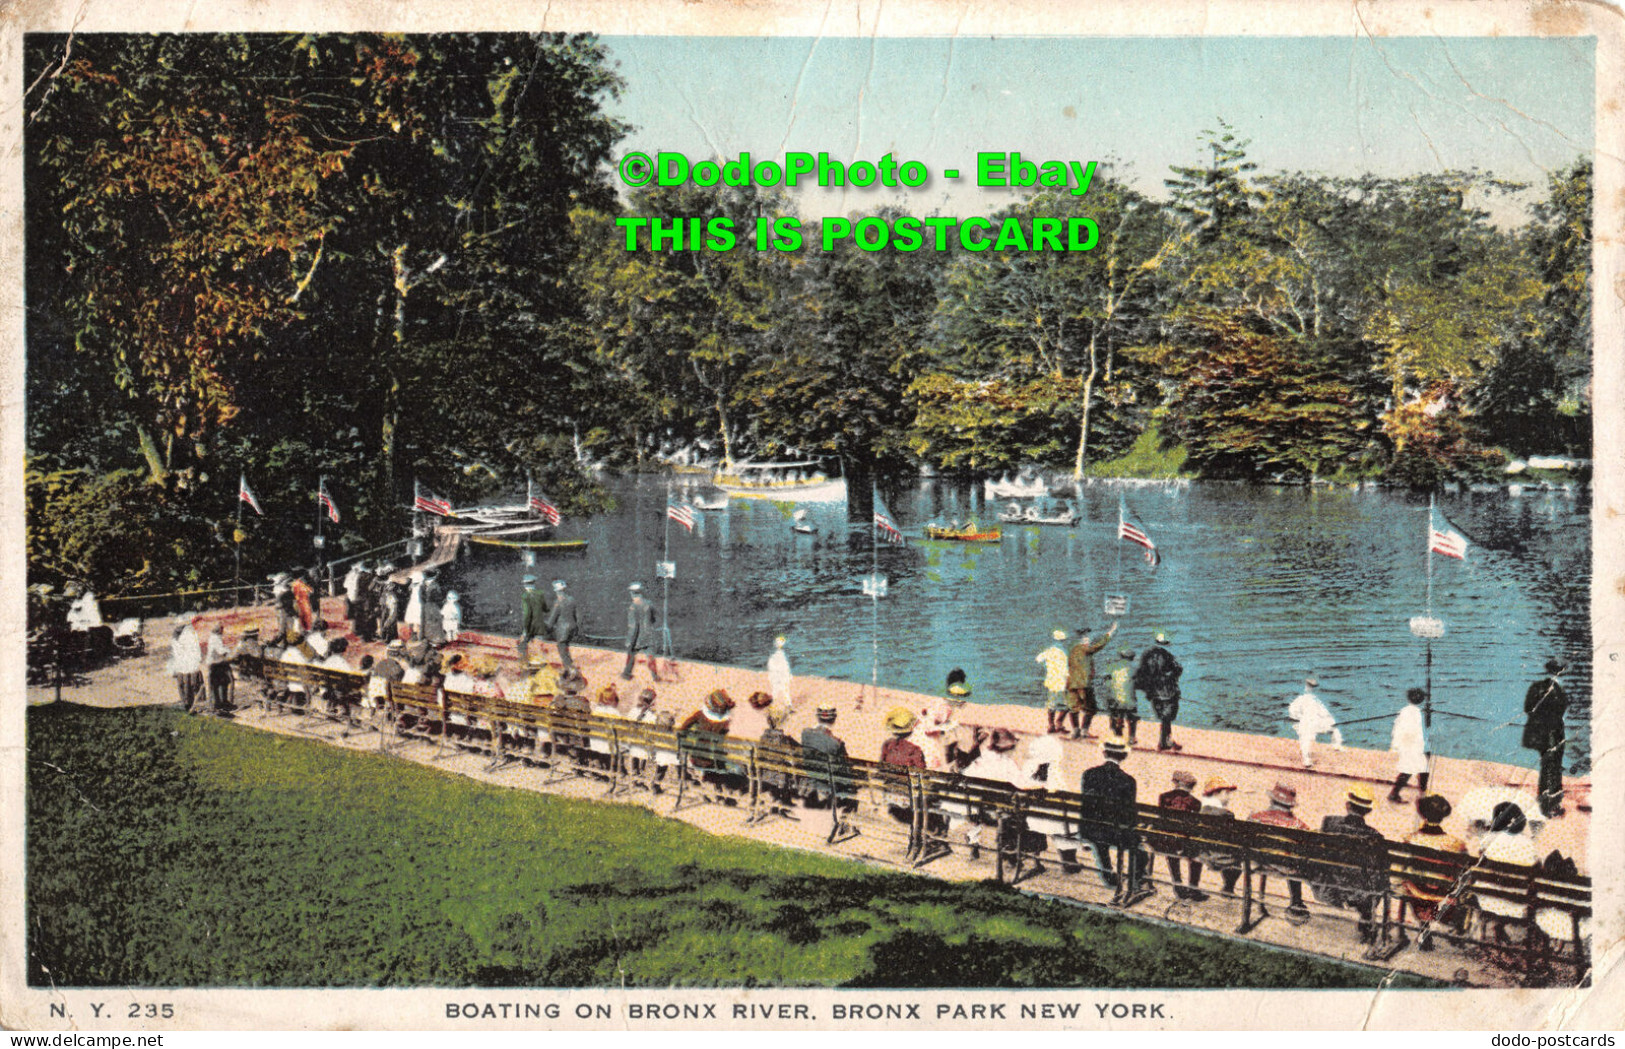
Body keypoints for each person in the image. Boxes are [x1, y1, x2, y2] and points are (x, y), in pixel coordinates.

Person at [1316, 785, 1390, 943]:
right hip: (1359, 893)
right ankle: (1366, 917)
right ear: (1368, 811)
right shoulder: (1375, 836)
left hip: (1328, 887)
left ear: (1347, 805)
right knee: (1380, 877)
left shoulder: (1329, 822)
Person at [1396, 793, 1469, 950]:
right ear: (1443, 816)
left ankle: (1424, 926)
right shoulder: (1456, 844)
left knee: (1411, 879)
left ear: (1422, 814)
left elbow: (1402, 867)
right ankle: (1457, 930)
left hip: (1417, 893)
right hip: (1441, 895)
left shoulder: (1411, 839)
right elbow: (1463, 872)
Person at [1079, 736, 1146, 900]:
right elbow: (1129, 811)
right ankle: (1135, 882)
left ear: (1104, 753)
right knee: (1141, 851)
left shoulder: (1089, 774)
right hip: (1116, 832)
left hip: (1090, 829)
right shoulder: (1128, 781)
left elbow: (1087, 804)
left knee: (1101, 838)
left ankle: (1108, 873)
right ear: (1123, 756)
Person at [1247, 782, 1312, 923]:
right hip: (1286, 866)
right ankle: (1296, 903)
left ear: (1272, 800)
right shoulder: (1298, 825)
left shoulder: (1255, 817)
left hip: (1258, 861)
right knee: (1296, 860)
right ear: (1290, 805)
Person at [1523, 659, 1569, 818]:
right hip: (1551, 732)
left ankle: (1550, 802)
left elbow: (1528, 708)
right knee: (1552, 767)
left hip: (1546, 732)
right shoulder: (1557, 688)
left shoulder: (1538, 687)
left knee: (1550, 766)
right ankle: (1549, 805)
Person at [1066, 621, 1119, 739]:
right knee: (1091, 708)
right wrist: (1110, 632)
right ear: (1084, 639)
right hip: (1083, 684)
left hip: (1071, 684)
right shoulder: (1085, 649)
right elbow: (1098, 646)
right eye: (1087, 638)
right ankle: (1084, 731)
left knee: (1074, 708)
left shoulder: (1073, 650)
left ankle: (1075, 730)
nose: (1089, 641)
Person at [1158, 770, 1205, 900]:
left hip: (1165, 841)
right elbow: (1194, 826)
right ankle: (1193, 888)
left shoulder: (1163, 797)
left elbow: (1162, 820)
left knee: (1172, 848)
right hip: (1185, 842)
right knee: (1197, 855)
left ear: (1176, 783)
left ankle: (1178, 885)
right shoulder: (1195, 802)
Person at [1133, 632, 1184, 752]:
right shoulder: (1168, 656)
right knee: (1167, 718)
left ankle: (1166, 740)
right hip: (1167, 691)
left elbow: (1142, 673)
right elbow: (1178, 670)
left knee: (1163, 717)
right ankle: (1164, 742)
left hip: (1154, 691)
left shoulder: (1147, 655)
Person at [800, 700, 852, 806]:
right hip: (827, 779)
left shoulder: (805, 733)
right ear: (833, 719)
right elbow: (845, 767)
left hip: (811, 772)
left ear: (818, 717)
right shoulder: (836, 743)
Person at [1197, 776, 1243, 896]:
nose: (1229, 797)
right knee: (1238, 861)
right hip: (1221, 857)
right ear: (1216, 793)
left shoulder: (1202, 810)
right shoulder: (1226, 814)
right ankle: (1228, 888)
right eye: (1226, 793)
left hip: (1204, 853)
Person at [1289, 676, 1343, 768]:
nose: (1312, 689)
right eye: (1310, 686)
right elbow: (1293, 712)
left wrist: (1330, 721)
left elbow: (1324, 712)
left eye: (1313, 687)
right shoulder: (1300, 700)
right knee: (1305, 739)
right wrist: (1298, 721)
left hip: (1316, 722)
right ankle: (1306, 760)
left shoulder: (1315, 700)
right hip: (1305, 723)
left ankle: (1337, 745)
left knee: (1334, 728)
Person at [1388, 687, 1430, 803]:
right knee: (1415, 770)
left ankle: (1420, 794)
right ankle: (1419, 795)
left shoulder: (1405, 710)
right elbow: (1417, 732)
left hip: (1407, 746)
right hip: (1414, 747)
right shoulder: (1416, 713)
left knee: (1418, 770)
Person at [622, 582, 660, 681]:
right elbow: (655, 618)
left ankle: (627, 673)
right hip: (649, 635)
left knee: (631, 654)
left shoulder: (632, 607)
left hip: (637, 638)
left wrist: (629, 641)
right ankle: (655, 676)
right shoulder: (649, 604)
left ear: (632, 594)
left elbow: (633, 626)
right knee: (651, 656)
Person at [1037, 630, 1071, 734]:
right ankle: (1059, 723)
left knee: (1051, 704)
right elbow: (1067, 668)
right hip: (1062, 681)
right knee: (1069, 704)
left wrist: (1047, 667)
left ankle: (1051, 725)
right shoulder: (1064, 653)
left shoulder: (1049, 651)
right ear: (1063, 641)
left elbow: (1038, 659)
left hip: (1051, 680)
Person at [167, 618, 203, 713]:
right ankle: (186, 703)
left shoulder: (189, 638)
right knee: (182, 684)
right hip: (181, 665)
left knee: (187, 685)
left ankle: (188, 704)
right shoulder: (176, 640)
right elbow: (174, 655)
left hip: (187, 665)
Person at [1105, 647, 1139, 745]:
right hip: (1129, 699)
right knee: (1132, 717)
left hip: (1115, 698)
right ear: (1132, 657)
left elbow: (1106, 680)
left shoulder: (1113, 666)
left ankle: (1117, 735)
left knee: (1116, 715)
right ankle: (1132, 737)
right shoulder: (1135, 667)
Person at [545, 579, 580, 672]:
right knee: (566, 647)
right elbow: (577, 616)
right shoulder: (572, 599)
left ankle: (569, 670)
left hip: (563, 630)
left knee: (562, 649)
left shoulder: (558, 602)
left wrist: (546, 629)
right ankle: (570, 665)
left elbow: (552, 619)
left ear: (556, 591)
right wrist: (577, 628)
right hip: (572, 628)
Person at [517, 574, 551, 666]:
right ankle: (541, 662)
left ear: (525, 585)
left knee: (521, 644)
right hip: (540, 624)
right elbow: (546, 609)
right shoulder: (540, 593)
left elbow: (527, 613)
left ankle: (525, 663)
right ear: (534, 583)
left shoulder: (525, 596)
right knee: (538, 642)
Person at [202, 622, 234, 714]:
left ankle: (223, 702)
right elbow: (220, 650)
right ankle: (217, 704)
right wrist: (229, 651)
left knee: (223, 682)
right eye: (221, 629)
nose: (222, 631)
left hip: (218, 662)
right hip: (215, 664)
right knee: (216, 684)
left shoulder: (215, 637)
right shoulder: (215, 638)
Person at [767, 636, 793, 706]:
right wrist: (788, 676)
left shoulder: (773, 656)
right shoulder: (781, 655)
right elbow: (785, 667)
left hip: (776, 676)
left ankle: (772, 705)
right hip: (780, 676)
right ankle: (787, 706)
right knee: (784, 691)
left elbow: (771, 667)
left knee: (776, 691)